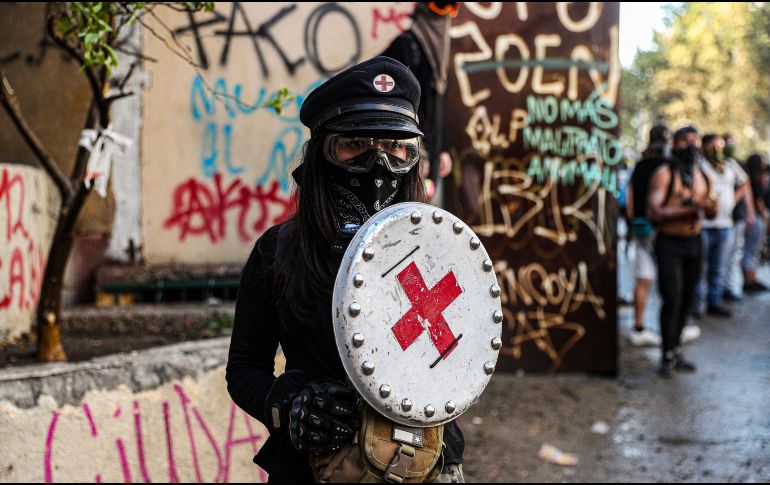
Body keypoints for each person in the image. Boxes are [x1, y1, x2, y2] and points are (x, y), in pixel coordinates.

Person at [226, 56, 465, 482]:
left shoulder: (437, 253)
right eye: (354, 145)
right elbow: (245, 369)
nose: (379, 165)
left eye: (396, 148)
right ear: (321, 154)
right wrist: (289, 405)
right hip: (316, 468)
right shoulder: (278, 252)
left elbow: (461, 360)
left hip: (425, 466)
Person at [647, 125, 717, 378]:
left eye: (695, 141)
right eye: (686, 141)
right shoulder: (664, 174)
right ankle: (666, 354)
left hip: (694, 242)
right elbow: (655, 211)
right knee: (672, 297)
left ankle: (676, 350)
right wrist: (688, 209)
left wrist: (708, 209)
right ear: (675, 144)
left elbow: (711, 211)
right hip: (670, 243)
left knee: (688, 299)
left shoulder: (702, 175)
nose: (691, 146)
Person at [381, 2, 459, 202]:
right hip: (410, 162)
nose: (447, 14)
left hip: (430, 159)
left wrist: (443, 148)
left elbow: (437, 107)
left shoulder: (437, 52)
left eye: (453, 6)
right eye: (442, 5)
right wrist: (411, 153)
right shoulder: (406, 47)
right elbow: (393, 107)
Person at [694, 134, 751, 318]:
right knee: (700, 266)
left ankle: (714, 301)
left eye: (719, 145)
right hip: (703, 224)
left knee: (718, 266)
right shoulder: (699, 165)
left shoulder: (730, 165)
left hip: (725, 224)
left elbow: (744, 182)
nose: (717, 149)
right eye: (713, 145)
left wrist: (733, 201)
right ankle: (697, 303)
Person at [625, 125, 669, 347]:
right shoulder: (667, 167)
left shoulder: (640, 166)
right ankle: (669, 330)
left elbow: (630, 195)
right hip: (662, 229)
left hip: (642, 226)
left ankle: (639, 325)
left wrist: (634, 220)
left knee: (644, 277)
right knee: (668, 280)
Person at [742, 154, 770, 292]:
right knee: (751, 251)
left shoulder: (755, 179)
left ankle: (751, 278)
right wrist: (765, 215)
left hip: (754, 218)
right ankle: (749, 280)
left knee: (753, 251)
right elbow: (759, 201)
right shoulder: (754, 180)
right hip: (755, 218)